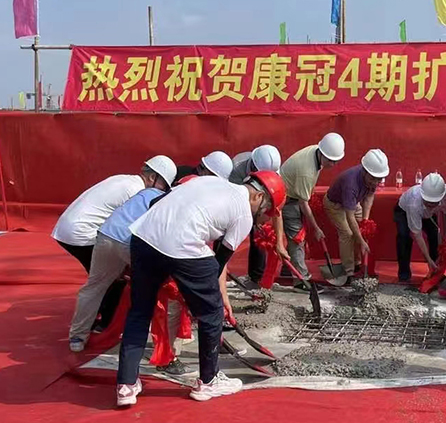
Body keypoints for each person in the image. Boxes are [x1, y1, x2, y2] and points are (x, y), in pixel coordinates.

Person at [116, 170, 286, 407]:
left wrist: (190, 289)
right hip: (183, 244)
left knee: (139, 312)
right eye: (265, 211)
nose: (263, 218)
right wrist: (202, 298)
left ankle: (126, 385)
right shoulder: (243, 214)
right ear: (258, 197)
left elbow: (157, 202)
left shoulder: (210, 182)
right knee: (212, 314)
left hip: (144, 236)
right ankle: (208, 380)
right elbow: (220, 260)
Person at [52, 155, 175, 332]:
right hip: (83, 233)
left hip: (67, 228)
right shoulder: (138, 191)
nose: (162, 191)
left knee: (100, 280)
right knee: (111, 279)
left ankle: (89, 325)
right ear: (152, 177)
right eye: (163, 185)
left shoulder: (124, 179)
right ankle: (105, 326)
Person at [278, 133, 345, 284]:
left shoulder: (317, 152)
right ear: (322, 154)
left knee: (295, 236)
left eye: (336, 161)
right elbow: (303, 203)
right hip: (286, 199)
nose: (333, 164)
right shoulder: (306, 171)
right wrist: (316, 228)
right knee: (297, 238)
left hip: (294, 194)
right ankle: (301, 280)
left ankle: (287, 270)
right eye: (330, 160)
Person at [323, 149, 389, 277]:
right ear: (364, 171)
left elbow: (369, 197)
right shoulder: (351, 184)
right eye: (373, 179)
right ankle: (348, 271)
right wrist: (361, 241)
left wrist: (365, 222)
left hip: (353, 203)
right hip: (335, 204)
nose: (375, 183)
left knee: (362, 230)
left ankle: (358, 263)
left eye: (379, 179)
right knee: (347, 234)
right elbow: (350, 216)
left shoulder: (373, 175)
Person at [229, 145, 283, 284]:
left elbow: (277, 209)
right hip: (233, 202)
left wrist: (279, 243)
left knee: (259, 235)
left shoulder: (274, 172)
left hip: (257, 202)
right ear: (253, 166)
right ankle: (219, 269)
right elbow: (234, 200)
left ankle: (256, 277)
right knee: (226, 238)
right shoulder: (236, 169)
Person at [395, 172, 446, 282]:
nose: (431, 205)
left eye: (434, 203)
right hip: (404, 210)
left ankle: (436, 271)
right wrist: (428, 259)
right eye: (428, 202)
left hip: (427, 214)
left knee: (434, 234)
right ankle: (404, 274)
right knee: (404, 237)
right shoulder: (414, 202)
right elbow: (418, 235)